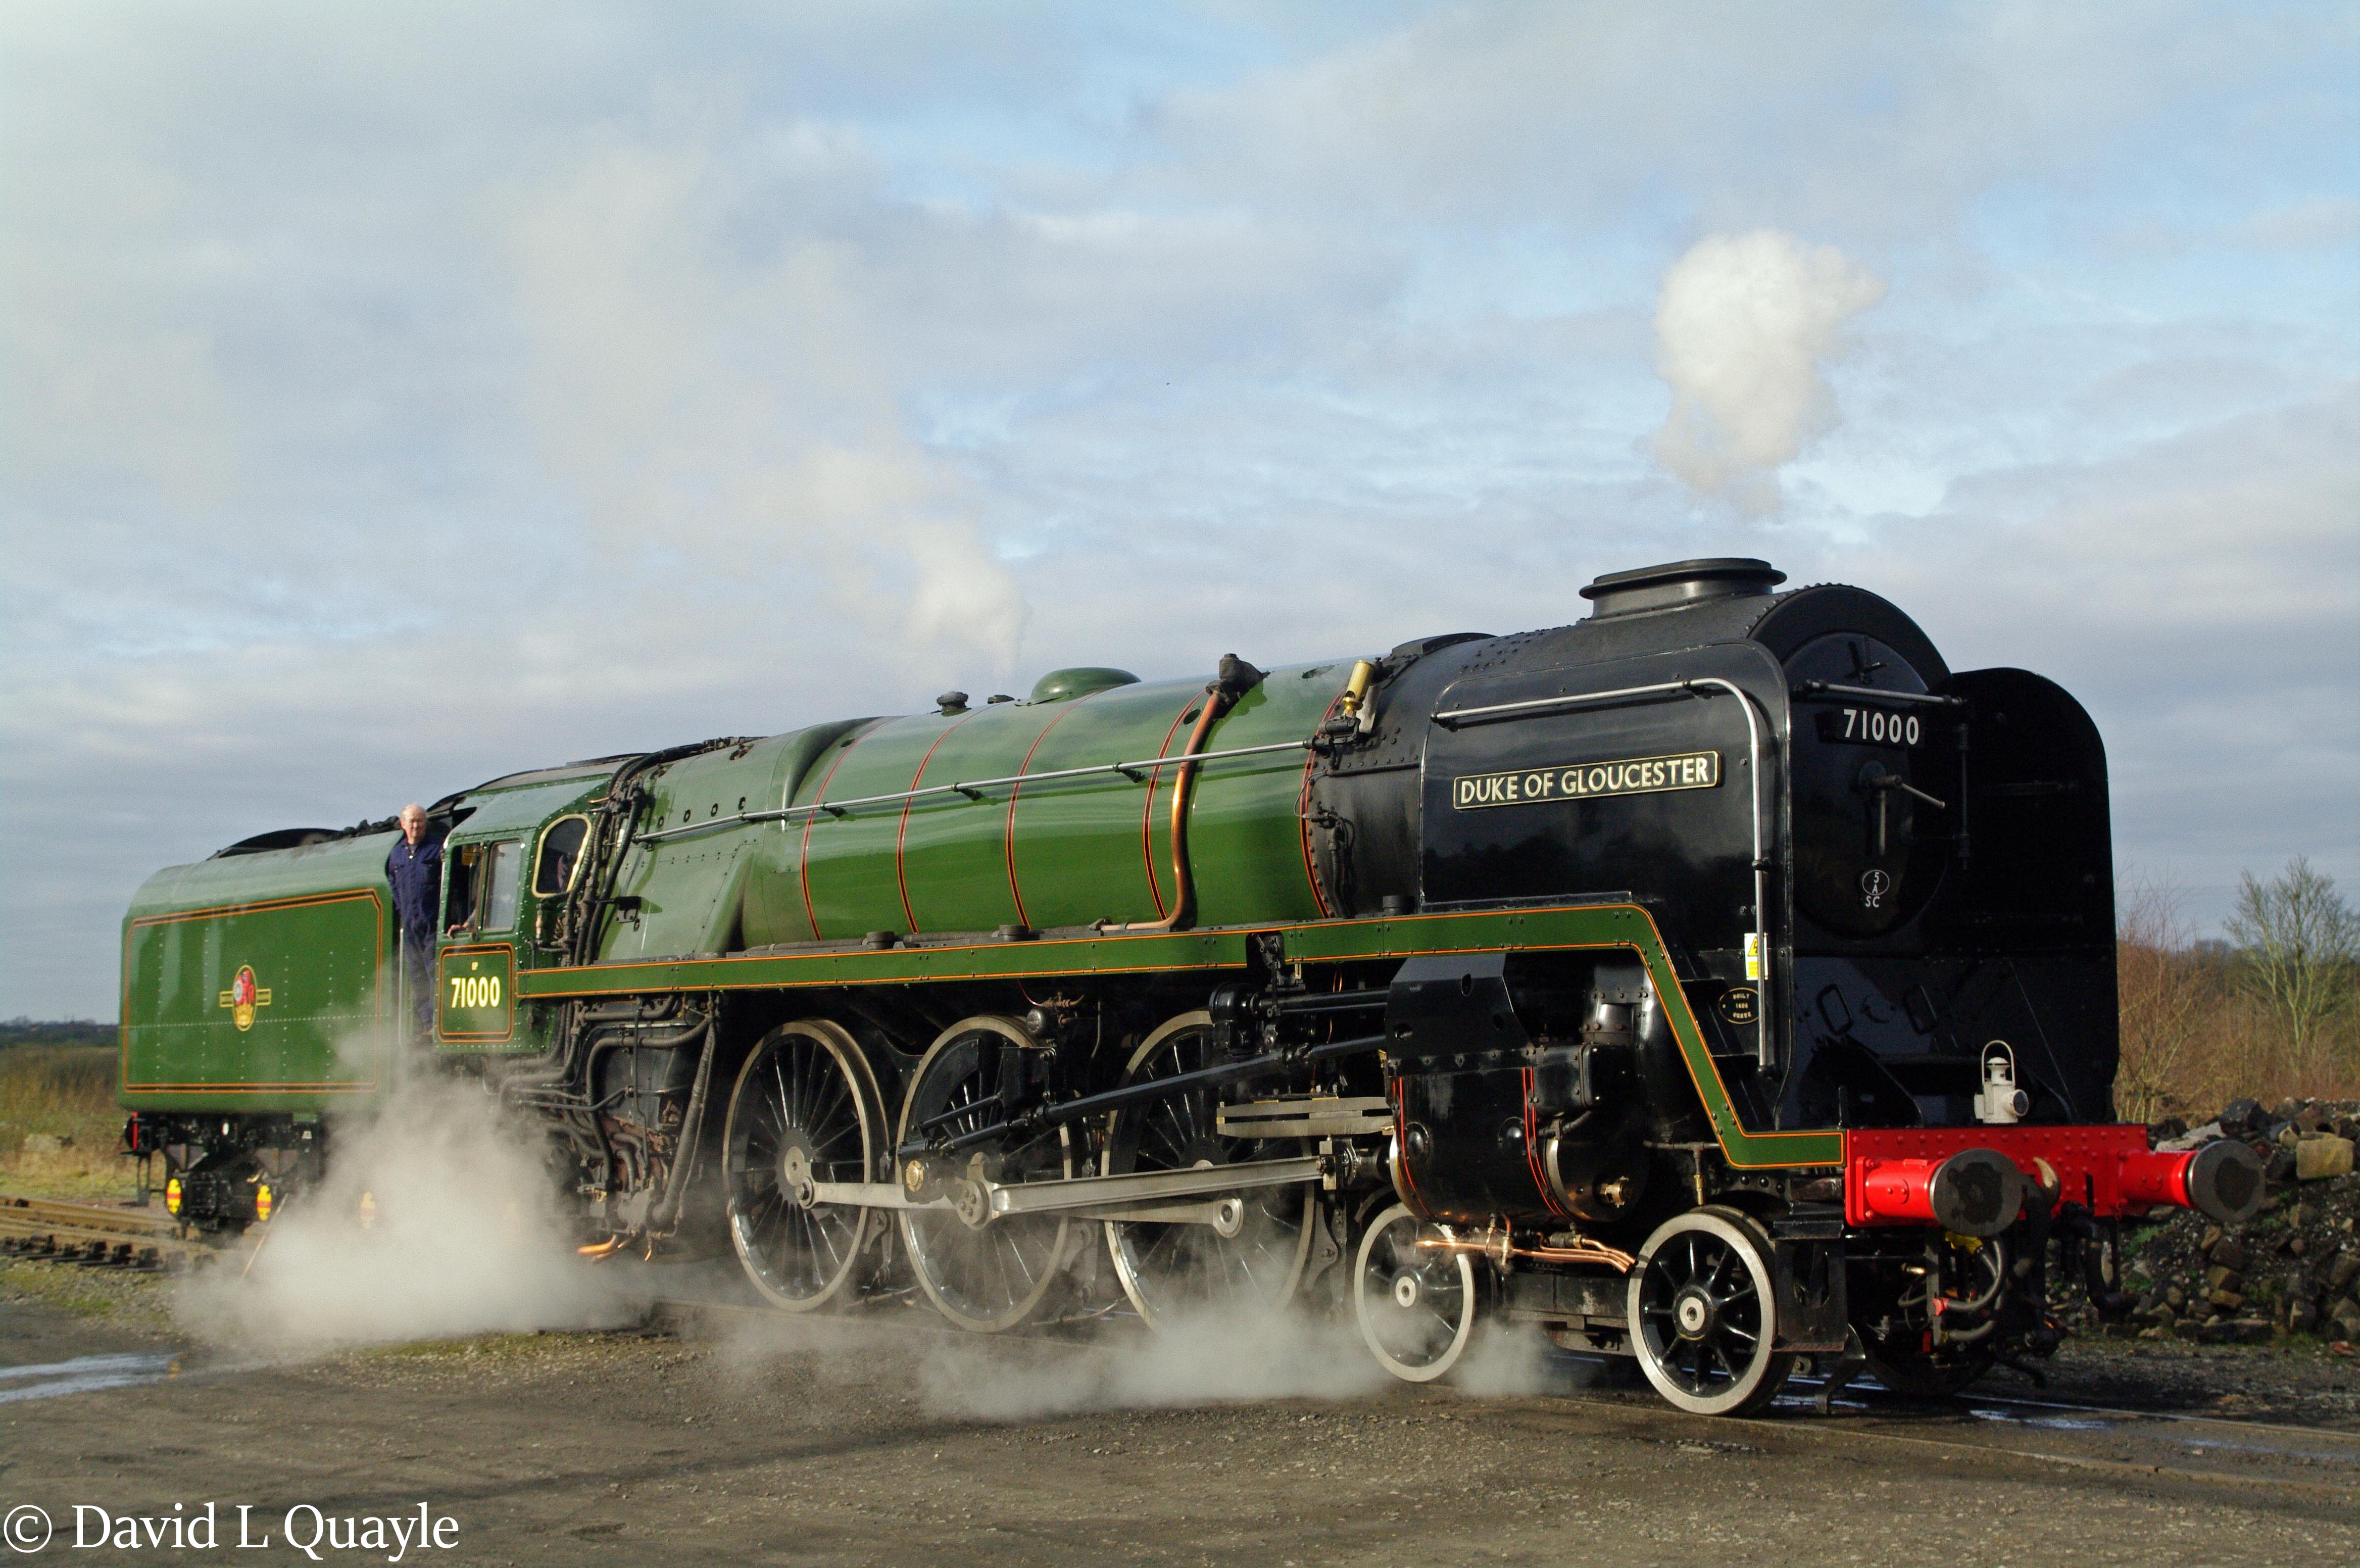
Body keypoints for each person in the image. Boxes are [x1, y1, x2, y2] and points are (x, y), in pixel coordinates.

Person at [385, 804, 444, 1033]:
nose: (416, 826)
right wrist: (401, 907)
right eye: (412, 822)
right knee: (417, 974)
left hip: (432, 919)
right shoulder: (397, 853)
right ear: (403, 824)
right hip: (410, 922)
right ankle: (427, 1021)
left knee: (433, 970)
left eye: (420, 821)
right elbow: (392, 879)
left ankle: (439, 1020)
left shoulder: (437, 847)